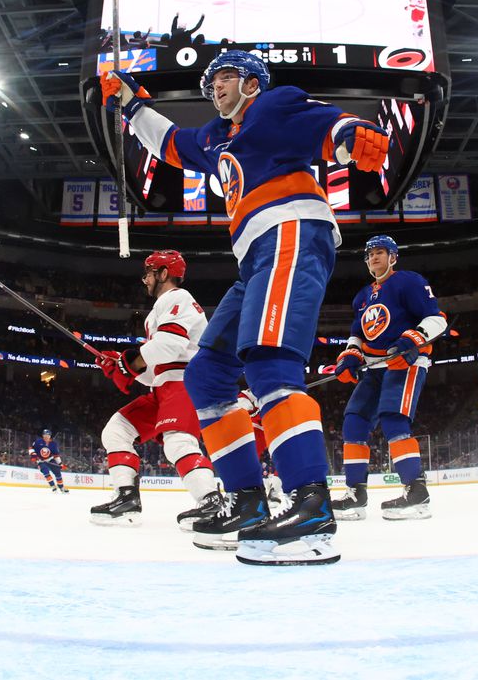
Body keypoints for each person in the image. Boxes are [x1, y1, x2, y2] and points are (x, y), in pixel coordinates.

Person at [99, 51, 389, 565]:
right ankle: (249, 503)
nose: (215, 88)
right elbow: (169, 143)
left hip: (292, 232)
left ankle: (312, 503)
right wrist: (130, 103)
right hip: (255, 255)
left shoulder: (272, 106)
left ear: (253, 83)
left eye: (226, 77)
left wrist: (351, 135)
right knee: (208, 375)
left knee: (270, 362)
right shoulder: (214, 137)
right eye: (210, 82)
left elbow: (326, 124)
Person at [91, 250, 220, 530]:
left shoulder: (178, 298)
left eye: (149, 273)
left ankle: (211, 501)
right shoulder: (157, 312)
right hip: (165, 387)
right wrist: (120, 365)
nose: (145, 279)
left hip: (185, 384)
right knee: (116, 430)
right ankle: (126, 497)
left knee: (177, 442)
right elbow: (155, 372)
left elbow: (170, 345)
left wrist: (130, 363)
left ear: (163, 273)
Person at [330, 235, 446, 521]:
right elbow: (357, 335)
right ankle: (356, 495)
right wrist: (351, 355)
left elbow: (437, 319)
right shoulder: (362, 297)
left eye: (380, 253)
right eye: (369, 255)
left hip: (404, 363)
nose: (374, 258)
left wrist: (411, 340)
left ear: (393, 256)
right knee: (354, 421)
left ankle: (416, 492)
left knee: (394, 419)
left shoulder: (409, 281)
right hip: (374, 368)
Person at [30, 428, 68, 492]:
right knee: (46, 472)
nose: (46, 436)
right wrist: (34, 456)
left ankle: (61, 487)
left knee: (57, 472)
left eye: (48, 435)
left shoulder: (53, 444)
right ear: (42, 435)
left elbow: (56, 455)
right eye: (45, 434)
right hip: (40, 461)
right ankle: (53, 486)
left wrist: (60, 464)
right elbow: (31, 449)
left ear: (50, 436)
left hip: (50, 460)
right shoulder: (38, 442)